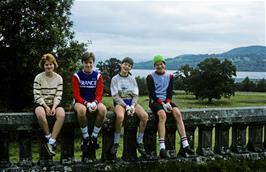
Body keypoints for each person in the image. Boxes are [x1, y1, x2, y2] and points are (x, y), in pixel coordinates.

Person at [146, 55, 194, 159]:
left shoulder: (170, 76)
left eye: (161, 63)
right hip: (155, 101)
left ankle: (185, 144)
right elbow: (152, 95)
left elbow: (169, 92)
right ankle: (162, 148)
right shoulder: (150, 77)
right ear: (154, 66)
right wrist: (163, 105)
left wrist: (167, 102)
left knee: (177, 113)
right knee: (162, 115)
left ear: (164, 64)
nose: (160, 66)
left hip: (166, 100)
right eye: (157, 64)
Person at [110, 57, 149, 159]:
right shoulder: (115, 79)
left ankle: (139, 141)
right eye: (125, 64)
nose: (126, 67)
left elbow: (136, 95)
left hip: (131, 102)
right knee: (120, 117)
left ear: (131, 68)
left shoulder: (132, 79)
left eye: (129, 66)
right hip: (120, 102)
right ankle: (116, 142)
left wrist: (132, 106)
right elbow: (115, 96)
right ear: (121, 64)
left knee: (144, 116)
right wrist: (126, 106)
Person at [72, 52, 107, 153]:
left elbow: (100, 93)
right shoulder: (76, 76)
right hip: (80, 101)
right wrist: (86, 103)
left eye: (90, 62)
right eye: (86, 62)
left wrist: (95, 103)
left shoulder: (98, 76)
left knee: (103, 110)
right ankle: (86, 137)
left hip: (94, 101)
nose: (88, 65)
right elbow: (76, 95)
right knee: (82, 110)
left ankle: (94, 136)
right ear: (82, 63)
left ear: (93, 63)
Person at [33, 53, 65, 156]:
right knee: (41, 115)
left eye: (51, 64)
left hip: (54, 102)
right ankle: (48, 136)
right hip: (41, 103)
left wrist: (54, 107)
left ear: (54, 65)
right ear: (43, 66)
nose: (49, 66)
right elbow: (37, 95)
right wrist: (46, 107)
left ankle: (51, 142)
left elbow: (59, 94)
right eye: (46, 64)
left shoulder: (59, 78)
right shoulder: (38, 78)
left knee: (62, 115)